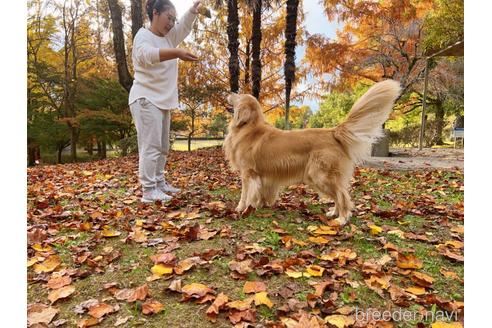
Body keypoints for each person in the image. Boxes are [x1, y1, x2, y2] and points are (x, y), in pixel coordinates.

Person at [129, 0, 201, 203]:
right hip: (145, 98)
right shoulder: (143, 36)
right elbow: (146, 55)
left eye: (173, 19)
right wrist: (177, 53)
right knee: (150, 146)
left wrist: (192, 12)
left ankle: (159, 182)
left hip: (162, 100)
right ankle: (149, 190)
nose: (171, 23)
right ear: (155, 13)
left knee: (162, 146)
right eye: (168, 18)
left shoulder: (169, 38)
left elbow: (183, 28)